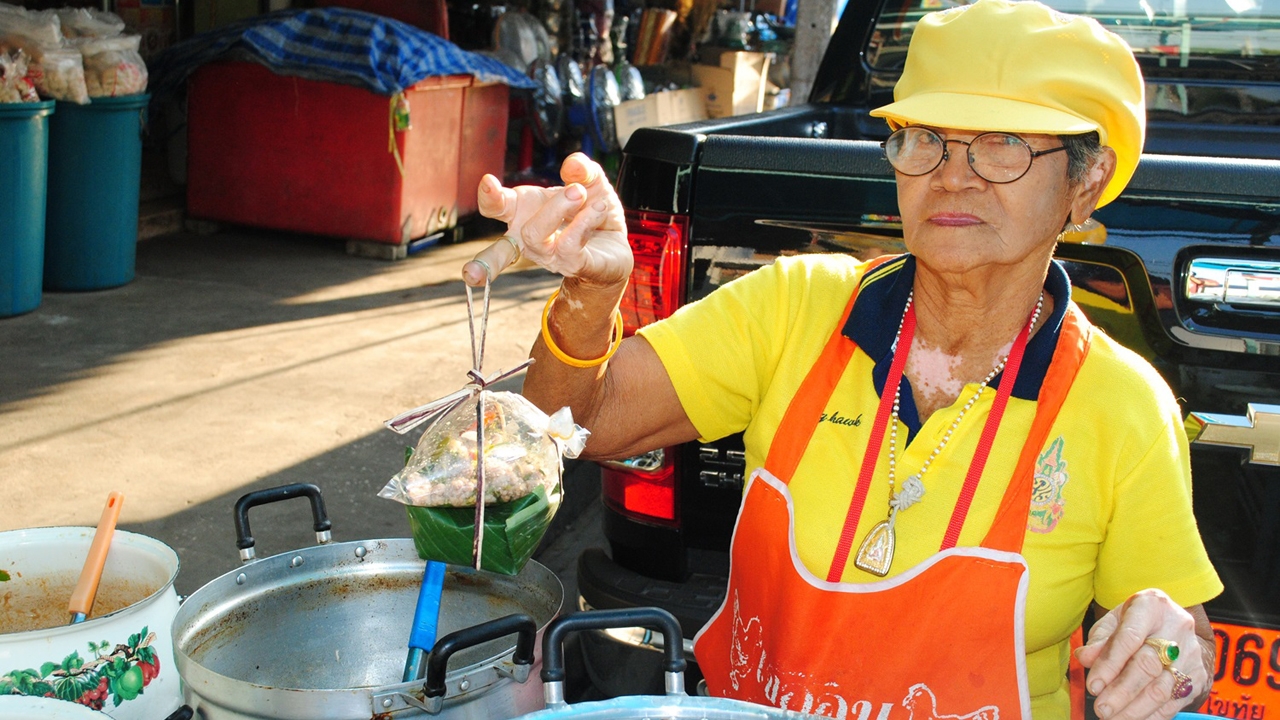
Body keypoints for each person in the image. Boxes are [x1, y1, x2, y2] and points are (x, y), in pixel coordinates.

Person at [461, 1, 1222, 718]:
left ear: (1084, 184)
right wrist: (593, 297)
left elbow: (1181, 640)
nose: (952, 175)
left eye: (1004, 146)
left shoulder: (1120, 405)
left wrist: (1167, 650)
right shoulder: (794, 308)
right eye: (926, 138)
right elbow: (574, 425)